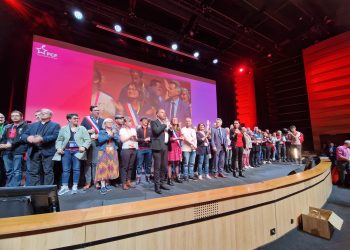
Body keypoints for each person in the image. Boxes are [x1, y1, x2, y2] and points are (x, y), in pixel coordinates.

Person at [53, 113, 91, 195]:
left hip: (78, 151)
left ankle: (75, 186)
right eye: (74, 118)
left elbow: (88, 140)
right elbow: (59, 140)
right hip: (66, 151)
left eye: (77, 118)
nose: (77, 120)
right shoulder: (63, 128)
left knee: (76, 169)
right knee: (65, 169)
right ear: (69, 119)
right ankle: (65, 187)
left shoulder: (82, 128)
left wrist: (84, 147)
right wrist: (59, 148)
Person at [21, 108, 60, 186]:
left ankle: (47, 190)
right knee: (33, 172)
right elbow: (24, 134)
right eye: (41, 112)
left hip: (47, 151)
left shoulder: (55, 125)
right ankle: (34, 190)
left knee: (48, 171)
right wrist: (28, 138)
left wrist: (42, 139)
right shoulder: (33, 125)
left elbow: (55, 136)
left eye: (45, 113)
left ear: (50, 115)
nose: (42, 114)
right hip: (34, 150)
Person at [0, 111, 28, 187]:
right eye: (12, 116)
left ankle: (15, 187)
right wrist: (2, 145)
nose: (14, 117)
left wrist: (10, 145)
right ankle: (9, 186)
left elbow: (21, 138)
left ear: (21, 117)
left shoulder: (26, 126)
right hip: (6, 151)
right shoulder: (8, 126)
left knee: (17, 171)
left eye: (16, 115)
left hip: (18, 151)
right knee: (8, 171)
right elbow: (3, 138)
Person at [81, 105, 104, 190]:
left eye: (98, 110)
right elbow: (81, 131)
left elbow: (105, 132)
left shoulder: (103, 120)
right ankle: (87, 182)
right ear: (91, 111)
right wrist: (88, 131)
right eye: (95, 110)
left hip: (98, 144)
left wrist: (99, 135)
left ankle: (96, 182)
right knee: (88, 164)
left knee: (96, 164)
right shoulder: (86, 120)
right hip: (88, 144)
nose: (97, 111)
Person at [96, 118, 121, 194]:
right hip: (103, 151)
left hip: (113, 151)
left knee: (110, 167)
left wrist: (113, 135)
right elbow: (100, 140)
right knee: (103, 168)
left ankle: (107, 183)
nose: (110, 123)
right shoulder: (101, 132)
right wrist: (109, 135)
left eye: (111, 122)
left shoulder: (114, 131)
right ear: (105, 124)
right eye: (108, 122)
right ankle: (102, 186)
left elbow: (118, 140)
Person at [150, 109, 171, 194]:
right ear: (157, 114)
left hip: (165, 146)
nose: (164, 113)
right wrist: (165, 125)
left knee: (164, 167)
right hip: (157, 147)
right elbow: (156, 131)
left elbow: (168, 134)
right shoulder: (153, 122)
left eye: (164, 112)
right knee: (157, 168)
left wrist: (171, 129)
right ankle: (157, 186)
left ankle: (162, 183)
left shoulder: (165, 124)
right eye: (162, 112)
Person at [119, 117, 138, 190]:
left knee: (131, 166)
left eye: (131, 121)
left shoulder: (133, 129)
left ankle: (128, 181)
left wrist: (135, 138)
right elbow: (122, 140)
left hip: (133, 148)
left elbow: (135, 139)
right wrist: (129, 137)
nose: (131, 123)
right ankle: (123, 183)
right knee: (125, 167)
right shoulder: (122, 130)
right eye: (129, 121)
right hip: (126, 149)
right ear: (125, 123)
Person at [136, 117, 152, 184]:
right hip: (140, 149)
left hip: (149, 149)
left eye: (147, 121)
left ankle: (148, 177)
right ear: (141, 122)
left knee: (148, 164)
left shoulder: (151, 130)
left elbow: (154, 138)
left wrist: (150, 139)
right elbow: (136, 139)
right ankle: (138, 178)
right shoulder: (138, 130)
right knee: (139, 164)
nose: (146, 122)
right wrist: (144, 140)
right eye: (144, 121)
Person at [167, 117, 183, 184]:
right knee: (169, 164)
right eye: (173, 119)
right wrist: (178, 138)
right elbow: (169, 139)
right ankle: (169, 179)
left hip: (177, 148)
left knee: (177, 163)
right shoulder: (169, 129)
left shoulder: (179, 130)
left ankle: (177, 177)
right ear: (171, 121)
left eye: (176, 119)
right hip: (171, 148)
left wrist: (182, 138)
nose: (175, 120)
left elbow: (181, 137)